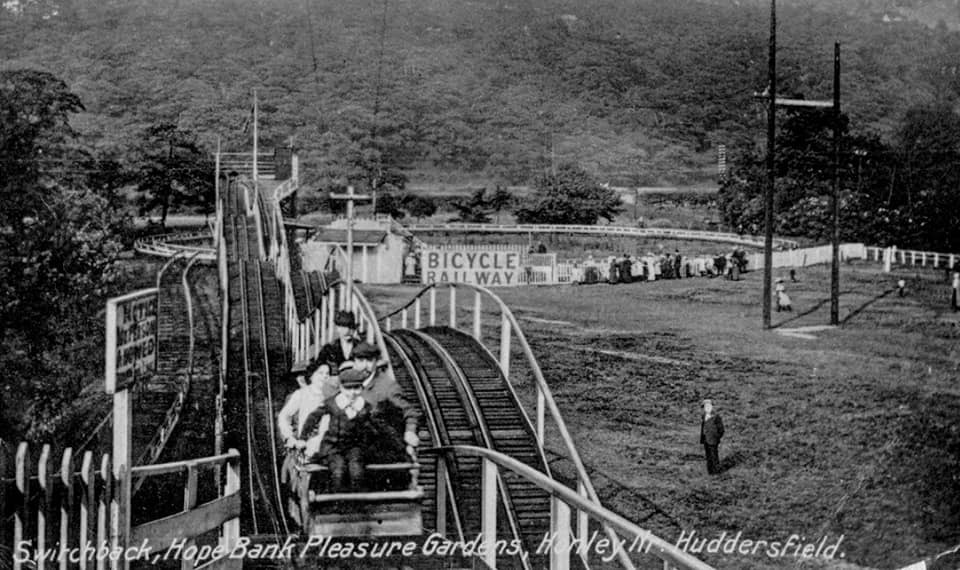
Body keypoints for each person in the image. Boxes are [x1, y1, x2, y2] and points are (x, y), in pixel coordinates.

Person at [277, 362, 336, 525]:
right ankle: (304, 518)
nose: (324, 377)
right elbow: (284, 416)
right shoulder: (301, 395)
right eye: (320, 373)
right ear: (311, 377)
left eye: (327, 374)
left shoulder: (333, 396)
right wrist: (290, 438)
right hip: (306, 446)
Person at [301, 369, 376, 492]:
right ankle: (338, 504)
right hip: (333, 447)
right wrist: (302, 438)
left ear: (362, 388)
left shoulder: (365, 406)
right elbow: (313, 417)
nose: (352, 393)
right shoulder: (332, 403)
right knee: (338, 470)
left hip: (354, 447)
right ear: (341, 388)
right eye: (348, 389)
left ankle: (356, 504)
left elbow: (378, 425)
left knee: (356, 470)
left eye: (356, 388)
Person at [346, 342, 420, 460]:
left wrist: (410, 431)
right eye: (360, 361)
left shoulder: (388, 386)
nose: (365, 366)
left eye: (369, 361)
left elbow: (410, 412)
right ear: (353, 363)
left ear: (376, 362)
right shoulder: (347, 381)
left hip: (378, 448)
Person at [700, 399, 724, 475]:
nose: (707, 408)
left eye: (709, 406)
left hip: (713, 440)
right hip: (706, 440)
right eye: (705, 407)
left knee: (714, 456)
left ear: (712, 407)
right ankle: (710, 472)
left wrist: (716, 437)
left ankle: (716, 472)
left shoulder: (716, 417)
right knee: (708, 456)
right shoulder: (704, 416)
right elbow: (703, 427)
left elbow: (721, 429)